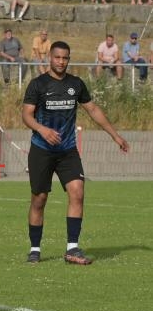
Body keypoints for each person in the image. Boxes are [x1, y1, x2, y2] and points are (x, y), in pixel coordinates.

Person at [21, 41, 129, 265]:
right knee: (39, 200)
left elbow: (93, 110)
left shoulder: (76, 84)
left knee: (78, 191)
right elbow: (27, 115)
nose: (61, 62)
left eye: (65, 58)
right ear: (50, 57)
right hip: (42, 150)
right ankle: (34, 248)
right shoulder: (38, 84)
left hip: (67, 150)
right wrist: (42, 129)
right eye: (58, 57)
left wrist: (115, 135)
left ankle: (72, 248)